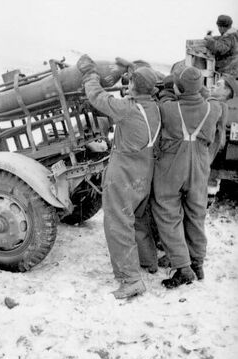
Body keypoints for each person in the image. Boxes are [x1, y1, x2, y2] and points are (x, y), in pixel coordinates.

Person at [76, 54, 161, 299]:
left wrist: (90, 74)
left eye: (130, 81)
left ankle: (130, 279)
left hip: (124, 172)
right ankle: (148, 261)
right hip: (143, 173)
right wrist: (133, 70)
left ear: (134, 85)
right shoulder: (152, 107)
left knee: (118, 224)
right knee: (138, 218)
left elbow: (97, 97)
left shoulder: (128, 110)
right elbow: (140, 85)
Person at [151, 66, 227, 288]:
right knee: (196, 213)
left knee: (166, 211)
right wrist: (194, 88)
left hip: (172, 167)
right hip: (200, 167)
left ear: (179, 88)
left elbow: (164, 96)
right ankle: (197, 263)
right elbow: (205, 96)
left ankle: (182, 266)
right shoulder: (213, 109)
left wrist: (168, 88)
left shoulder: (168, 109)